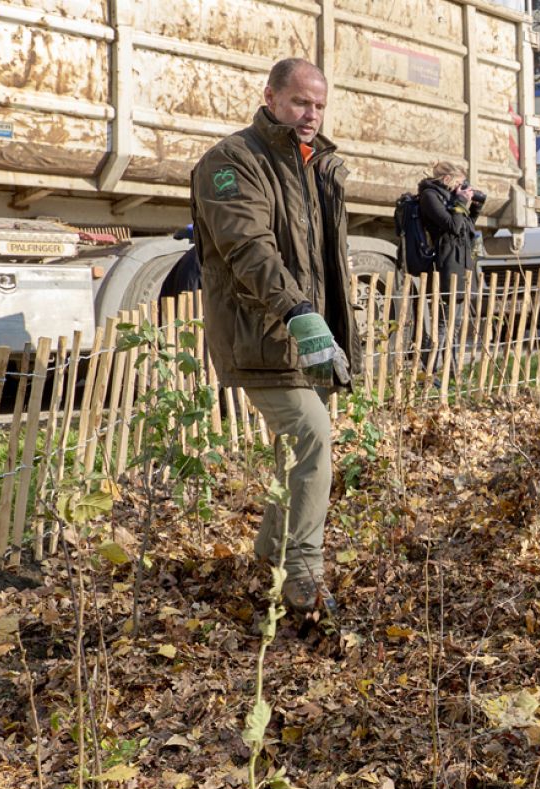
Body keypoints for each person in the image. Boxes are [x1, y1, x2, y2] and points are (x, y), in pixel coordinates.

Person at [192, 58, 354, 620]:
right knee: (312, 437)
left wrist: (328, 325)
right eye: (300, 103)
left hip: (306, 334)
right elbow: (248, 249)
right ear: (271, 97)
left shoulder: (313, 165)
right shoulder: (231, 162)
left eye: (318, 106)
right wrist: (298, 314)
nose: (310, 115)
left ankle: (269, 550)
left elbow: (322, 258)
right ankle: (302, 574)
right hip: (262, 334)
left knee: (302, 447)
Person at [415, 161, 485, 365]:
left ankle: (449, 369)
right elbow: (452, 226)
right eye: (459, 183)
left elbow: (466, 228)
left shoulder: (450, 198)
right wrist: (461, 202)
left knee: (456, 324)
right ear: (447, 179)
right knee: (443, 323)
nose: (460, 188)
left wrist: (475, 208)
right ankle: (431, 372)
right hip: (446, 264)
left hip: (461, 263)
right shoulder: (430, 196)